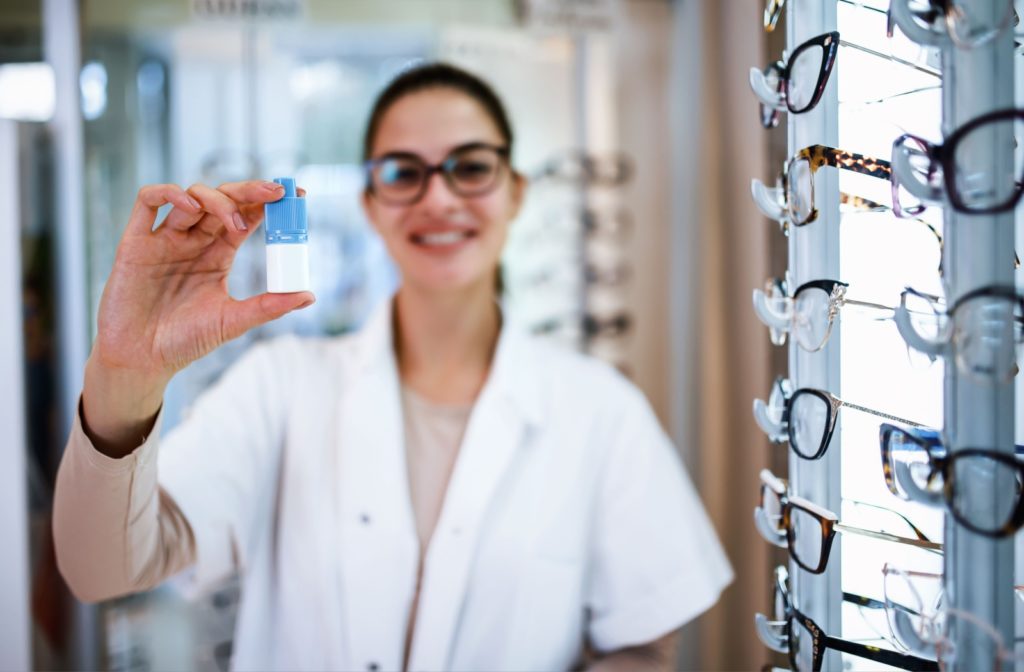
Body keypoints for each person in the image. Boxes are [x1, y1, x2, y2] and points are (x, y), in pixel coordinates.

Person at [53, 62, 732, 672]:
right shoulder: (280, 387)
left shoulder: (600, 410)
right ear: (372, 205)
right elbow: (101, 568)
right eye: (404, 173)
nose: (438, 199)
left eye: (470, 167)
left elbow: (643, 642)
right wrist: (126, 370)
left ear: (516, 192)